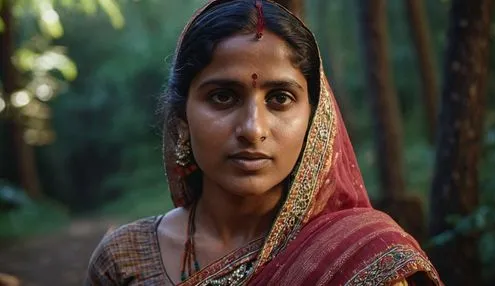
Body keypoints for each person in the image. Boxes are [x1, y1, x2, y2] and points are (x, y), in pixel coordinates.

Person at [86, 0, 442, 285]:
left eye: (280, 98)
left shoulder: (361, 257)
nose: (253, 128)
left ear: (315, 121)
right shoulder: (123, 259)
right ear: (182, 122)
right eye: (223, 97)